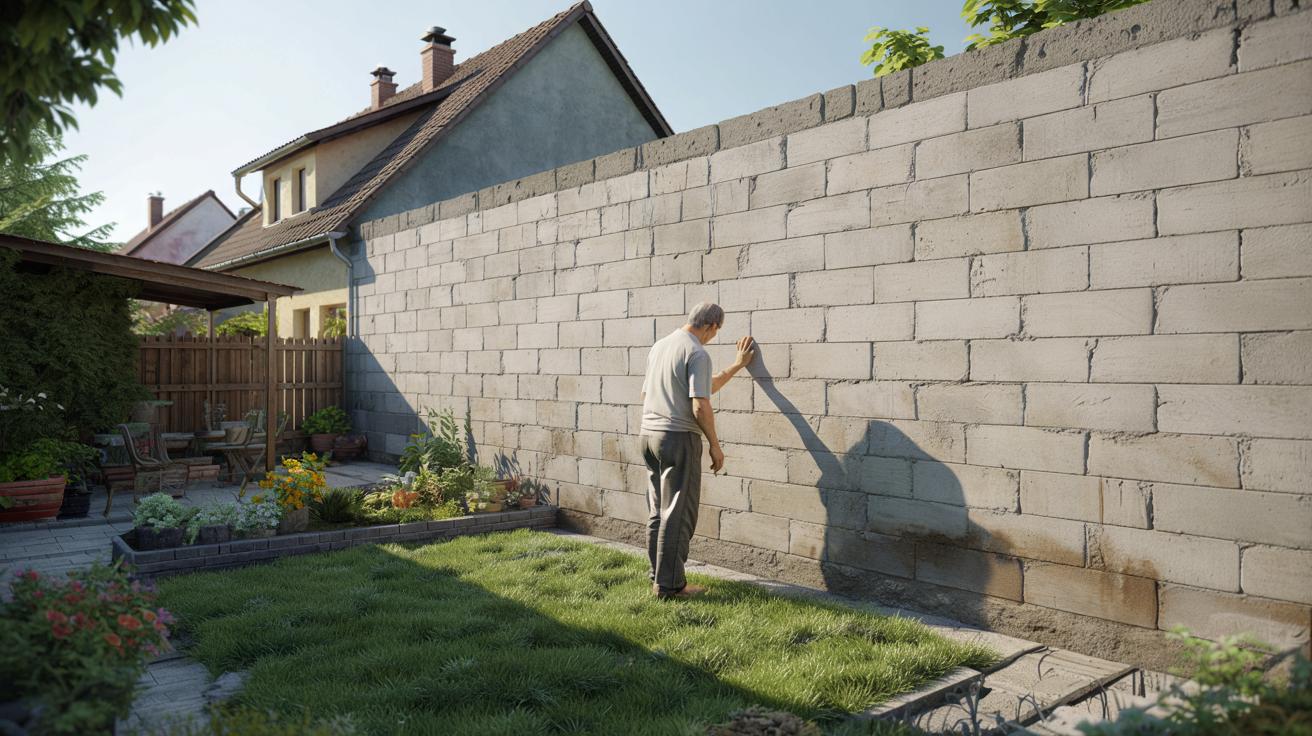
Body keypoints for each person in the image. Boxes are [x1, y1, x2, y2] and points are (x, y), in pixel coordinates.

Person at [639, 301, 754, 600]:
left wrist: (736, 365)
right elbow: (699, 404)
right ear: (712, 325)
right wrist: (715, 445)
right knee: (678, 513)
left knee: (658, 511)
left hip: (649, 436)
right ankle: (671, 587)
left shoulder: (661, 346)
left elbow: (654, 392)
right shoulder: (697, 352)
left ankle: (658, 577)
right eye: (717, 331)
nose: (714, 336)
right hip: (678, 438)